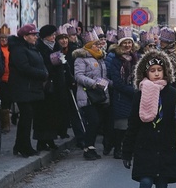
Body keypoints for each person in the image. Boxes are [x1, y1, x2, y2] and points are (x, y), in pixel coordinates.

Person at [123, 49, 176, 188]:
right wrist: (127, 151)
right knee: (145, 181)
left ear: (165, 71)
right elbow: (133, 123)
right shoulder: (139, 94)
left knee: (162, 183)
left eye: (160, 69)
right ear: (145, 73)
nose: (157, 73)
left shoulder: (173, 93)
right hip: (146, 145)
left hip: (165, 146)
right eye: (153, 70)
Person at [8, 24, 48, 157]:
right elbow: (24, 68)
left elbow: (39, 63)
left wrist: (44, 72)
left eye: (36, 34)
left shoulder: (32, 48)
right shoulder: (19, 50)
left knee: (27, 118)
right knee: (26, 117)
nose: (35, 37)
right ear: (25, 37)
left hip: (31, 88)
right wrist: (41, 74)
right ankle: (24, 146)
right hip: (23, 88)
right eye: (33, 35)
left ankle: (20, 145)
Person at [74, 30, 112, 160]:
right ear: (89, 46)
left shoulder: (100, 57)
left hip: (99, 95)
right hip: (87, 95)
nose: (99, 46)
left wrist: (108, 83)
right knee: (94, 121)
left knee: (96, 123)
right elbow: (78, 76)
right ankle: (87, 148)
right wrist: (93, 83)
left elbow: (103, 76)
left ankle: (91, 147)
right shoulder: (82, 58)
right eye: (95, 44)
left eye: (98, 44)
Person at [107, 27, 139, 159]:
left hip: (135, 96)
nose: (127, 45)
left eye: (129, 42)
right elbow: (117, 81)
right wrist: (132, 90)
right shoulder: (116, 60)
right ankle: (118, 149)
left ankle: (129, 149)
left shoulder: (136, 58)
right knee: (121, 126)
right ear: (120, 44)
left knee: (132, 125)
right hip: (121, 96)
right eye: (124, 43)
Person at [34, 24, 67, 151]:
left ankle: (51, 139)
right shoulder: (39, 48)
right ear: (44, 37)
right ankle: (41, 141)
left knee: (55, 114)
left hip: (58, 85)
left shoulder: (57, 47)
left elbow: (63, 63)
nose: (53, 38)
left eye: (54, 35)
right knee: (43, 114)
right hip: (46, 85)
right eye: (50, 36)